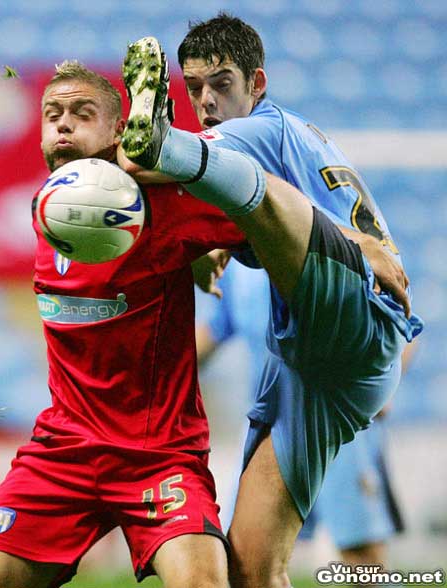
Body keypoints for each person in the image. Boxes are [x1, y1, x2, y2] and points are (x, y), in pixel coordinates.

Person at [120, 20, 423, 587]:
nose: (208, 100)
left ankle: (162, 133)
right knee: (251, 567)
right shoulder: (270, 146)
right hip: (308, 364)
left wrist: (357, 244)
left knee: (364, 561)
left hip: (354, 315)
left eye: (222, 83)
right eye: (195, 88)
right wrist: (208, 243)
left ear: (256, 82)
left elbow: (137, 165)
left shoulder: (255, 130)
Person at [0, 60, 249, 588]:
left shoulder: (169, 207)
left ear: (120, 128)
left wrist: (209, 246)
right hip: (63, 451)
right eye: (53, 115)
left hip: (159, 456)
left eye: (81, 113)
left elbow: (256, 202)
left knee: (203, 582)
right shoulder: (46, 208)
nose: (63, 125)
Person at [196, 260, 404, 576]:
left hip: (337, 419)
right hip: (267, 423)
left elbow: (402, 321)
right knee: (242, 556)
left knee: (362, 557)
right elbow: (215, 329)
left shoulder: (329, 240)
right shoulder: (237, 267)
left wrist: (381, 385)